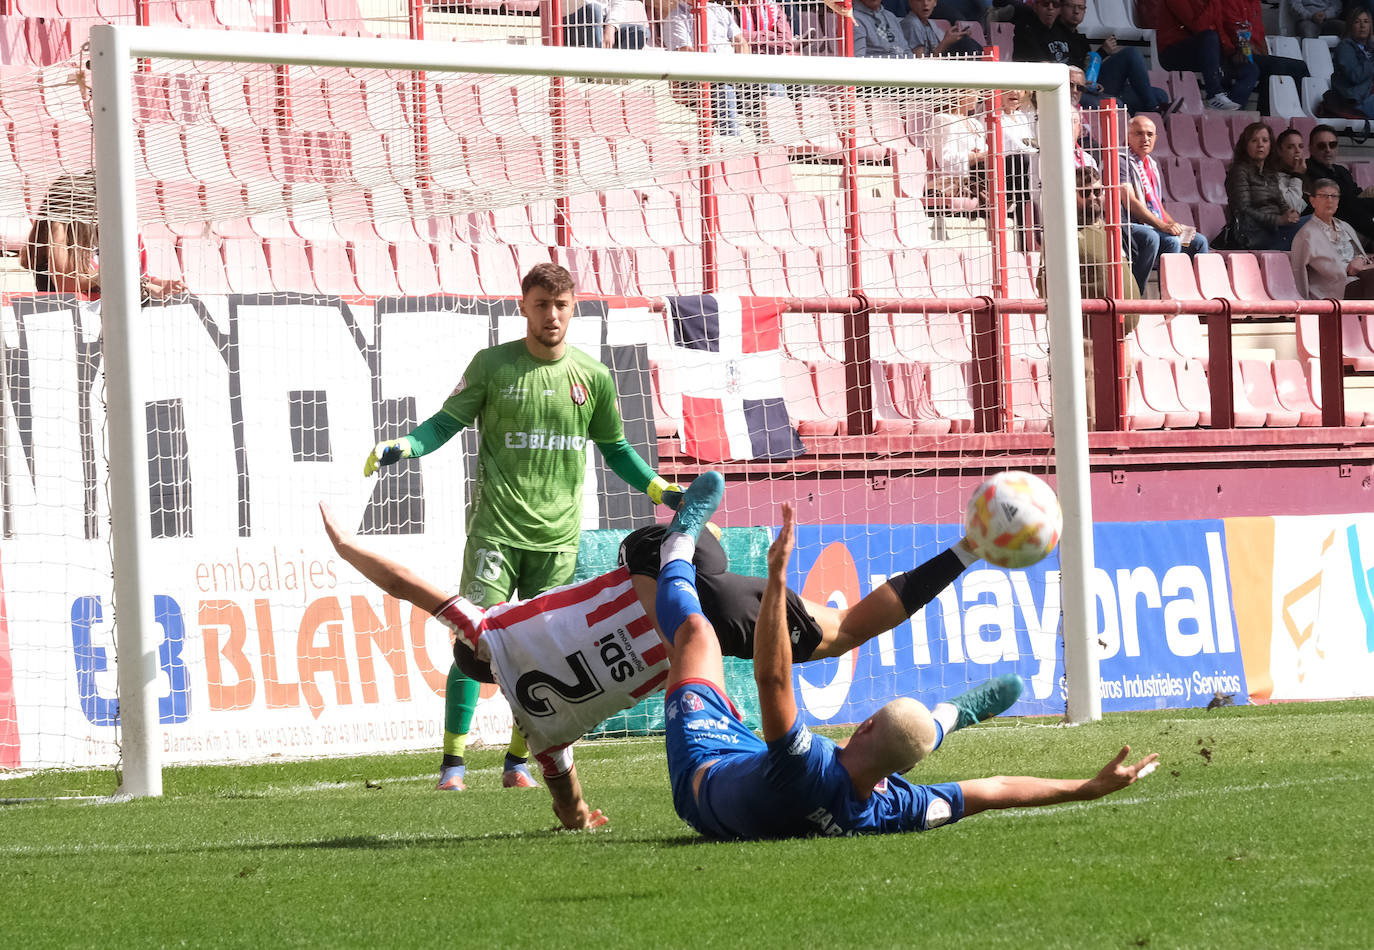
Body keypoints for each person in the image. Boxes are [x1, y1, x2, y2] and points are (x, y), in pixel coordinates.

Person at [320, 468, 987, 828]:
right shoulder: (491, 628)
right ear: (475, 641)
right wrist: (349, 548)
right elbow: (410, 586)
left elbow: (566, 795)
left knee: (839, 632)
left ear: (488, 682)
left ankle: (966, 551)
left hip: (688, 613)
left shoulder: (542, 731)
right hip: (649, 567)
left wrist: (578, 818)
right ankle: (683, 542)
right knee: (836, 629)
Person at [657, 493, 1160, 841]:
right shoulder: (891, 810)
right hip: (765, 781)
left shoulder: (805, 765)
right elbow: (995, 790)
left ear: (864, 724)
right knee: (909, 733)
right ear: (905, 775)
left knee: (698, 634)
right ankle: (952, 716)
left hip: (705, 772)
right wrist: (1087, 788)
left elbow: (772, 678)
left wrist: (776, 576)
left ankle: (677, 541)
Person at [363, 263, 682, 793]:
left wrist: (658, 488)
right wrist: (406, 445)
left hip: (557, 541)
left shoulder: (593, 378)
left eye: (561, 305)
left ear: (572, 308)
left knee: (540, 654)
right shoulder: (493, 366)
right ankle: (453, 764)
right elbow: (445, 423)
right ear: (523, 307)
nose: (551, 315)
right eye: (541, 304)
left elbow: (617, 450)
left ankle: (517, 762)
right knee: (474, 640)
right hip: (496, 532)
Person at [22, 171, 185, 302]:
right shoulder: (59, 228)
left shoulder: (100, 231)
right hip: (67, 316)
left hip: (98, 313)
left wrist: (158, 284)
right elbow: (67, 284)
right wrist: (113, 273)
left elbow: (124, 277)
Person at [1119, 115, 1208, 292]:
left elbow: (1158, 206)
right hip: (1130, 225)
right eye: (1139, 133)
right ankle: (1159, 296)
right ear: (1128, 136)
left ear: (1156, 138)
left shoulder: (1151, 164)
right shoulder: (1120, 160)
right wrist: (1164, 227)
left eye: (1149, 134)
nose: (1145, 139)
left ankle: (1196, 295)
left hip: (1155, 225)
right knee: (1171, 241)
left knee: (1197, 241)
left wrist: (1174, 225)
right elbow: (1130, 201)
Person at [1055, 0, 1170, 116]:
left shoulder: (1081, 40)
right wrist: (1086, 84)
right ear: (1060, 8)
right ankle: (1153, 109)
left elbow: (1089, 69)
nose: (1076, 11)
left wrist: (1103, 52)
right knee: (1131, 55)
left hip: (1095, 87)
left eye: (1081, 7)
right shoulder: (1054, 36)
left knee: (1160, 95)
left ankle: (1152, 109)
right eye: (1071, 6)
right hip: (1077, 90)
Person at [663, 0, 754, 135]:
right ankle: (730, 140)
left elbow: (741, 42)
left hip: (730, 71)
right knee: (724, 90)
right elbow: (687, 53)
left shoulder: (719, 10)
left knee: (772, 85)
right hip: (696, 77)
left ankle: (773, 141)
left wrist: (743, 69)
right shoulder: (676, 18)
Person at [1212, 0, 1310, 117]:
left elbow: (1259, 35)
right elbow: (1235, 32)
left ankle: (1300, 112)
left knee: (1300, 67)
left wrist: (1263, 54)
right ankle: (1266, 115)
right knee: (1277, 67)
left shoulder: (1254, 3)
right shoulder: (1229, 2)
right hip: (1233, 53)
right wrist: (1253, 51)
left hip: (1251, 53)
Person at [1154, 0, 1256, 111]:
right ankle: (1214, 94)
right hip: (1173, 53)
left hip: (1206, 52)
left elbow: (1220, 29)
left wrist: (1231, 51)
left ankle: (1232, 110)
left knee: (1250, 68)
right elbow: (1199, 27)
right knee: (1210, 37)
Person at [1289, 178, 1374, 299]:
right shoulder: (1306, 235)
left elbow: (1360, 256)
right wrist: (1360, 267)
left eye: (1334, 196)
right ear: (1312, 201)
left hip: (1360, 280)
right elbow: (1301, 273)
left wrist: (1360, 259)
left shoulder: (1344, 226)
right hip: (1333, 290)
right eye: (1323, 196)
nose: (1329, 201)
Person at [1226, 121, 1304, 251]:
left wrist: (1289, 212)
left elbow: (1281, 202)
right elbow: (1244, 209)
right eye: (1254, 140)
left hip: (1275, 230)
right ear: (1245, 145)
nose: (1260, 144)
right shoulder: (1239, 171)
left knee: (1316, 223)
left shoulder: (1269, 172)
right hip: (1253, 235)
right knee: (1312, 227)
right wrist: (1278, 220)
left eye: (1265, 140)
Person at [1306, 124, 1374, 243]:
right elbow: (1342, 200)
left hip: (1353, 216)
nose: (1328, 150)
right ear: (1311, 149)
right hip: (1330, 219)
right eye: (1321, 146)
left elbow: (1356, 194)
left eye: (1332, 145)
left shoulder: (1341, 170)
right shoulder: (1307, 169)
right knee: (1345, 202)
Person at [1330, 9, 1374, 119]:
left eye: (1366, 21)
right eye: (1357, 22)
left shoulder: (1369, 49)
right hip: (1356, 103)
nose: (1362, 26)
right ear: (1350, 26)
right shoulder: (1345, 47)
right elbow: (1356, 76)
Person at [902, 0, 982, 56]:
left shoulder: (929, 23)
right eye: (920, 0)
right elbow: (920, 64)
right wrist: (945, 42)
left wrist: (951, 38)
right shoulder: (911, 24)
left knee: (965, 41)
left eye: (929, 0)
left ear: (935, 2)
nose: (925, 3)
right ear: (910, 2)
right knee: (967, 44)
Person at [1270, 128, 1312, 220]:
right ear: (1280, 151)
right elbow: (1291, 210)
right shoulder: (1272, 178)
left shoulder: (1307, 172)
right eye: (1290, 147)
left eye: (1300, 146)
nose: (1297, 151)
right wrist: (1297, 175)